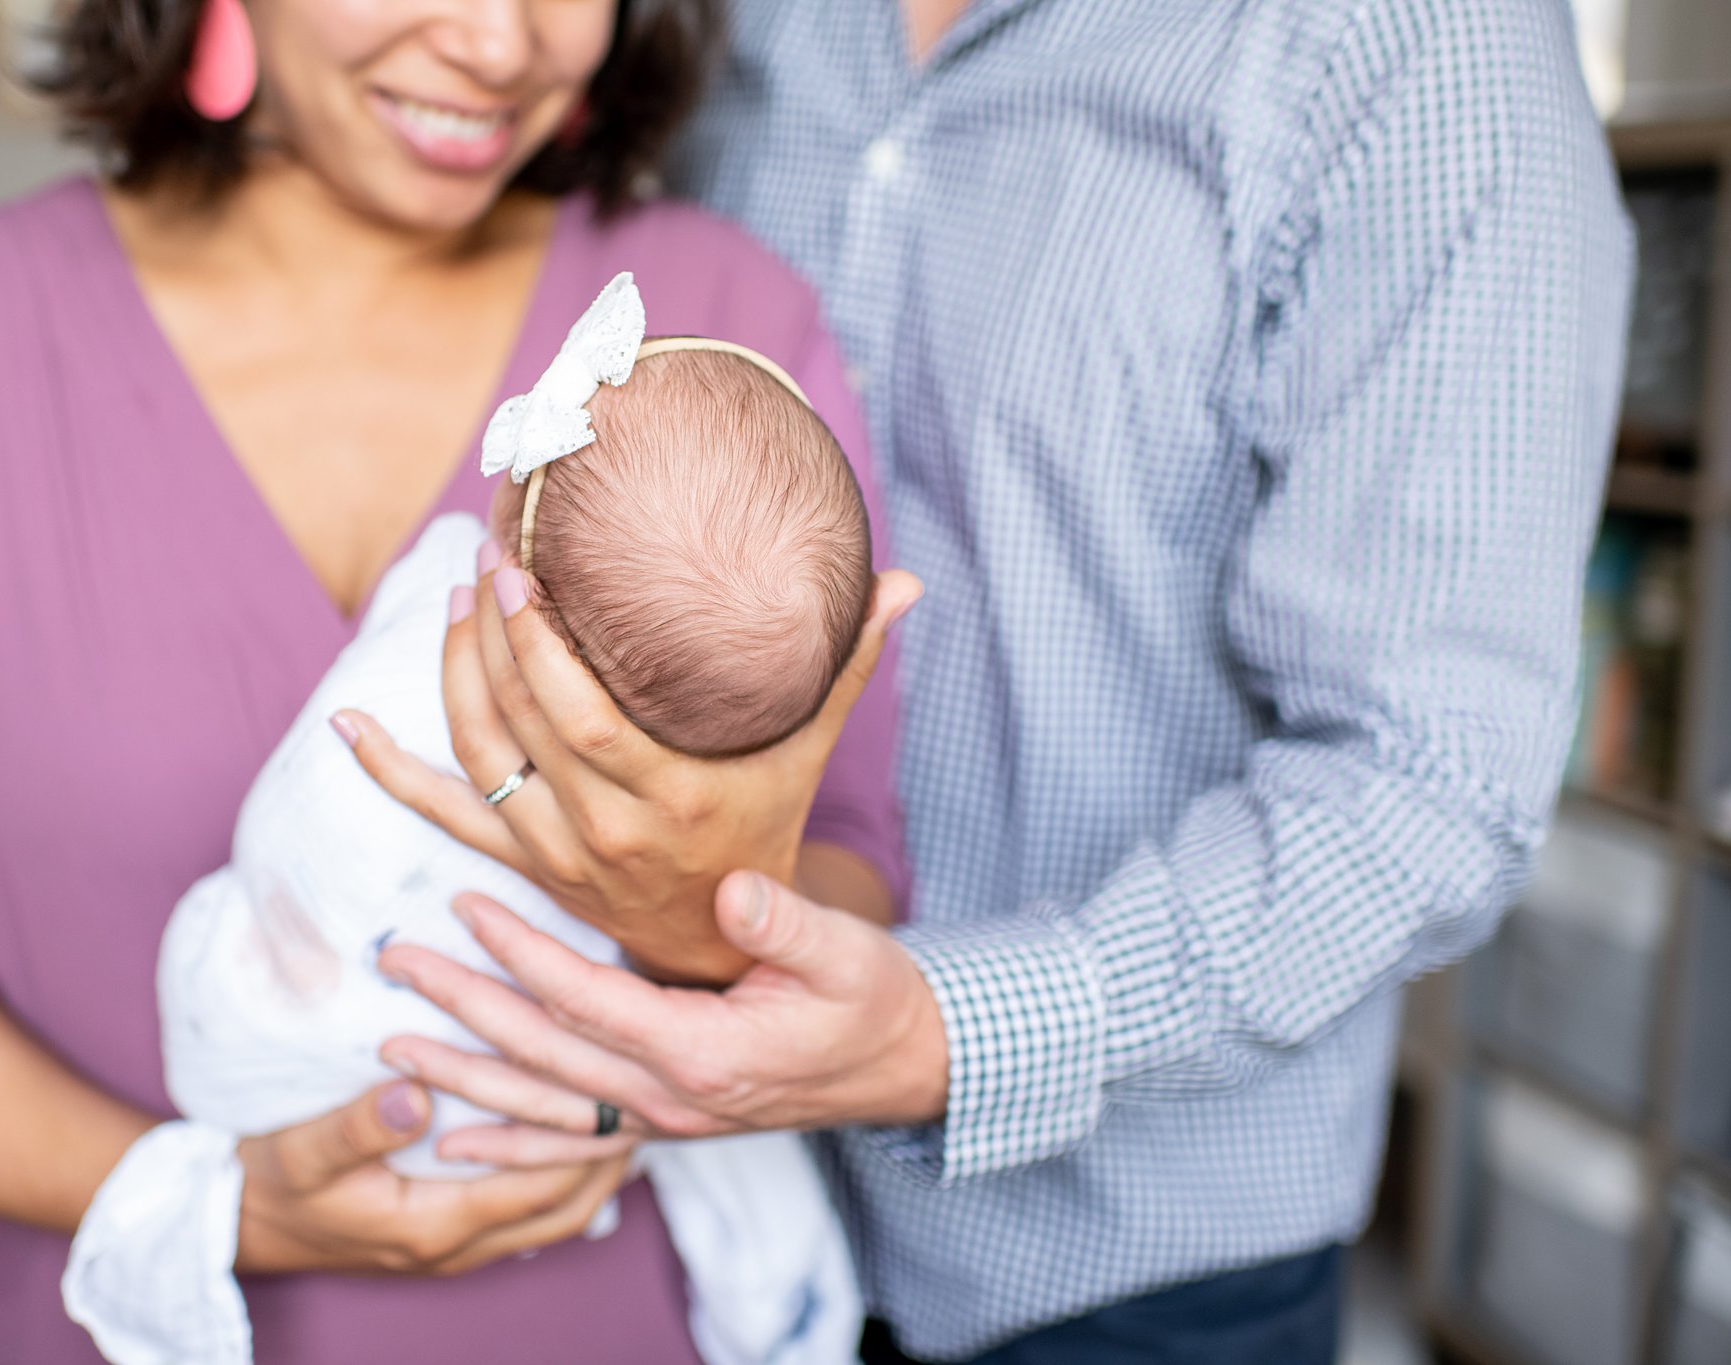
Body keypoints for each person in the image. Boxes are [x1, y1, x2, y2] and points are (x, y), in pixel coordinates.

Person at [336, 0, 1636, 1361]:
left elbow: (1433, 773)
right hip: (690, 1212)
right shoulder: (732, 24)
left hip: (1123, 1277)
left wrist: (950, 1032)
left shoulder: (1416, 41)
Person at [0, 1, 908, 1360]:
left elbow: (851, 863)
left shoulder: (721, 330)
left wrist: (697, 917)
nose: (502, 44)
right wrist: (227, 1210)